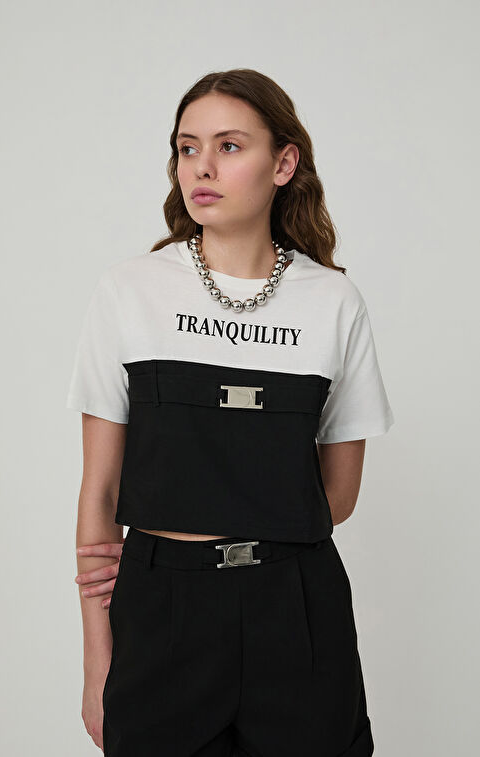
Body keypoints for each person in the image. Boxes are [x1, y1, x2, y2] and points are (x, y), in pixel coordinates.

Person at [68, 68, 395, 757]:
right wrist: (99, 659)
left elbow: (338, 494)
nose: (202, 167)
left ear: (284, 163)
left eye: (229, 146)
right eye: (188, 147)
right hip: (163, 610)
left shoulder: (332, 302)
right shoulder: (130, 291)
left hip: (294, 607)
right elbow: (100, 492)